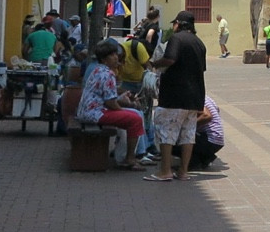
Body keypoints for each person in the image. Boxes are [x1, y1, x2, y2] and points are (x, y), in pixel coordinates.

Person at [145, 10, 209, 183]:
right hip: (195, 97)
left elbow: (170, 59)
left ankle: (165, 171)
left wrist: (154, 64)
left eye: (175, 23)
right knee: (188, 135)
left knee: (167, 132)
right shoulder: (199, 43)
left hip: (175, 95)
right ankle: (183, 171)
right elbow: (201, 68)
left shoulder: (177, 39)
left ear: (179, 24)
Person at [79, 40, 145, 169]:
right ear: (104, 59)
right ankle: (130, 159)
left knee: (131, 115)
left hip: (89, 111)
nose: (116, 57)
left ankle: (124, 154)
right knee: (135, 119)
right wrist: (123, 110)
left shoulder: (98, 70)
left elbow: (109, 98)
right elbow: (111, 103)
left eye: (116, 54)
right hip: (95, 113)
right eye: (112, 55)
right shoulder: (107, 74)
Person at [189, 95, 226, 170]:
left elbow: (206, 116)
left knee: (171, 137)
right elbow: (217, 110)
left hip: (209, 140)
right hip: (217, 140)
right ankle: (205, 157)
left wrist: (188, 127)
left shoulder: (192, 97)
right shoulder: (206, 97)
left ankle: (194, 162)